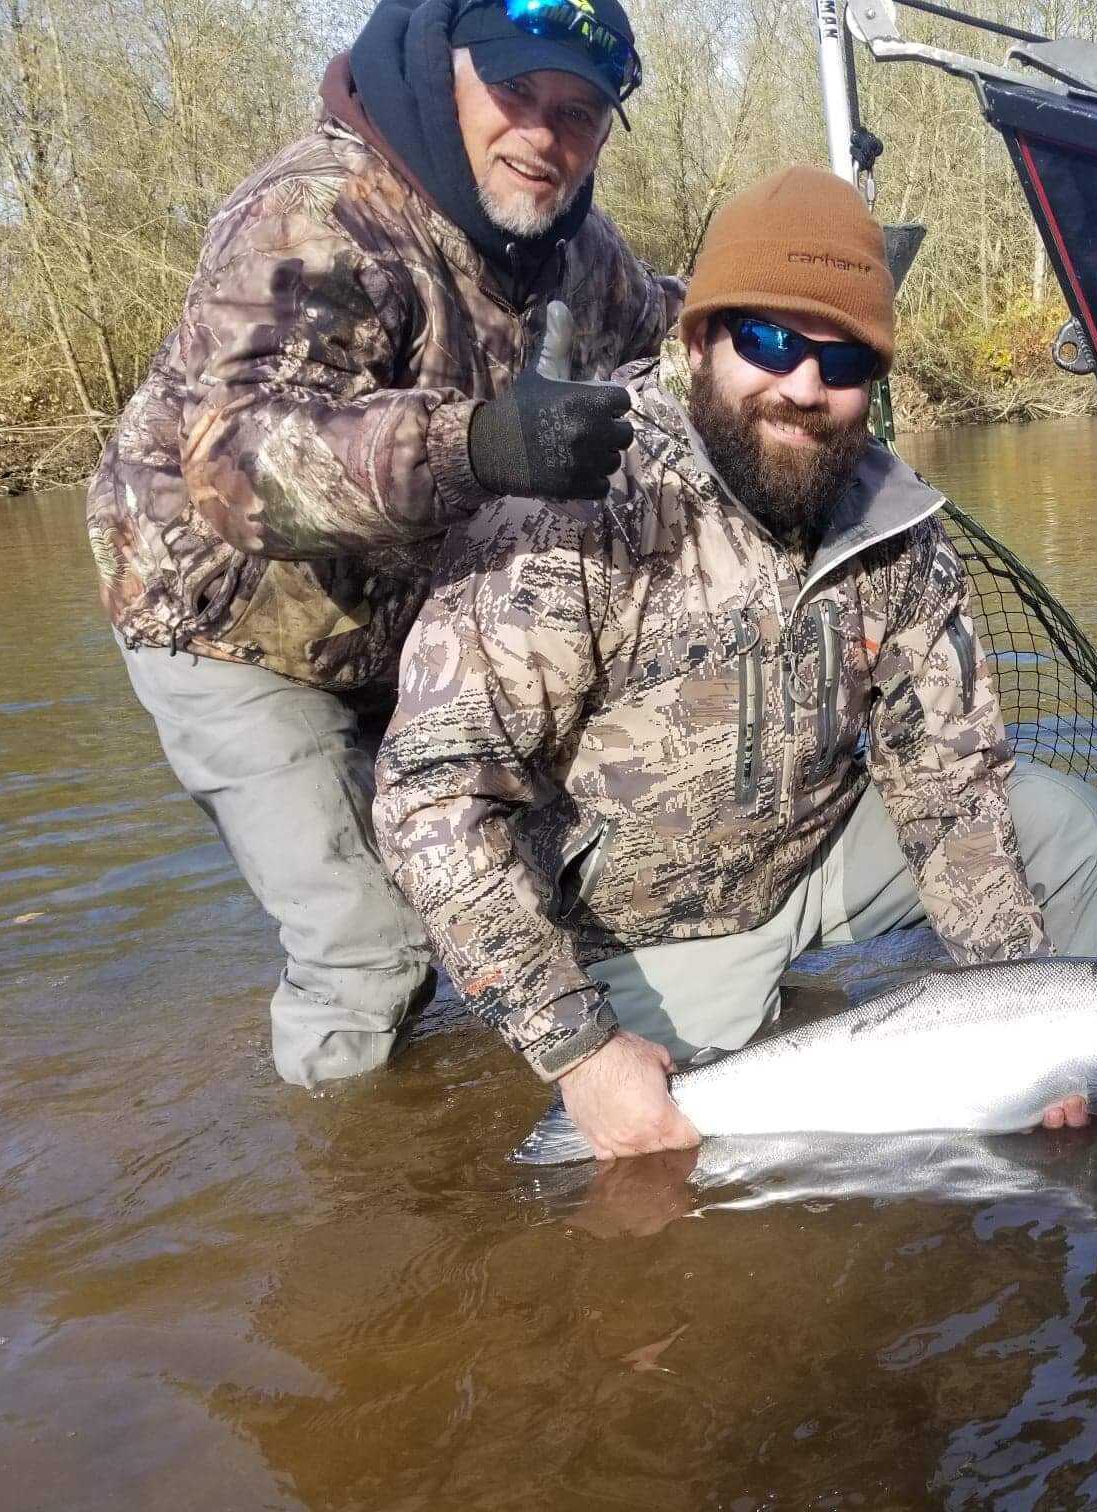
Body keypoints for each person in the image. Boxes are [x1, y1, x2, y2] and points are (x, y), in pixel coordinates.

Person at [374, 167, 1097, 1159]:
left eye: (844, 358)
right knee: (681, 1172)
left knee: (1062, 828)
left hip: (808, 856)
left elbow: (949, 789)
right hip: (639, 925)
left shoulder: (896, 526)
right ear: (699, 341)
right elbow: (430, 799)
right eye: (770, 342)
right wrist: (582, 1050)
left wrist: (1027, 1021)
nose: (805, 387)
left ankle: (1049, 1120)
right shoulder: (576, 504)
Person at [87, 0, 681, 1088]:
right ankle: (351, 1219)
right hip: (230, 625)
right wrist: (480, 443)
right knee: (371, 951)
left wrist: (784, 325)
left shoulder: (574, 244)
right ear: (443, 71)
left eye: (580, 113)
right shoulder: (314, 213)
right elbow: (238, 463)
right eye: (516, 96)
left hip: (409, 620)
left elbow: (664, 335)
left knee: (526, 874)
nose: (545, 138)